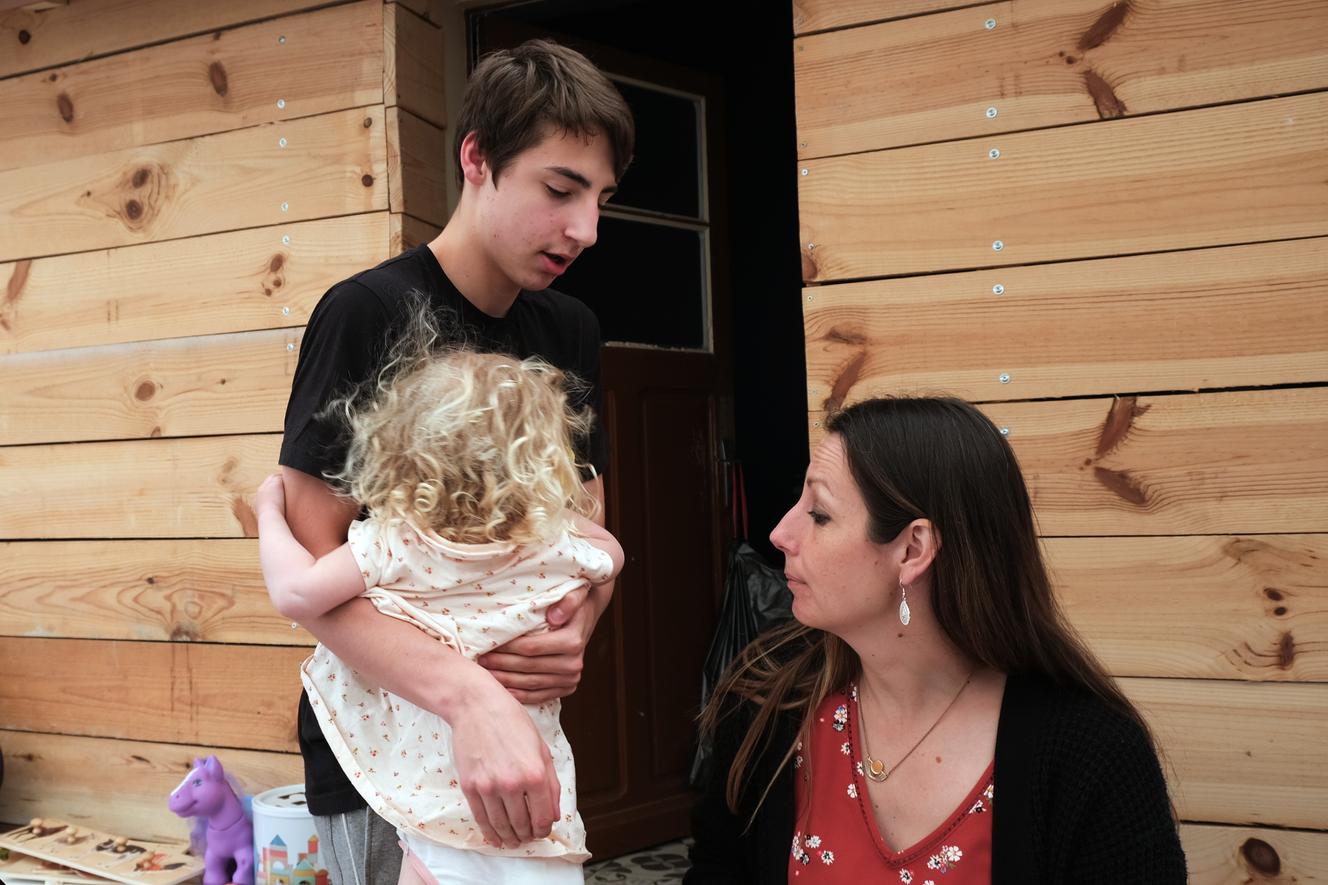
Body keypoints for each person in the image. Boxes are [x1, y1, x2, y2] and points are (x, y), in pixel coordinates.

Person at [275, 38, 634, 885]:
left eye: (601, 199)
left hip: (526, 742)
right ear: (476, 158)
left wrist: (574, 628)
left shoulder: (570, 328)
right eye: (560, 189)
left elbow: (590, 536)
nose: (585, 229)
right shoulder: (363, 312)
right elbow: (316, 572)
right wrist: (467, 695)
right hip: (384, 754)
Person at [686, 396, 1186, 883]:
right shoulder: (767, 701)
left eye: (819, 514)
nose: (779, 533)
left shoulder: (1090, 753)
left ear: (913, 549)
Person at [258, 339, 625, 884]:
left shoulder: (393, 544)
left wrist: (270, 513)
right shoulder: (556, 543)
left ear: (404, 452)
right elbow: (612, 553)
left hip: (438, 822)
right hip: (541, 819)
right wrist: (577, 584)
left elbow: (296, 594)